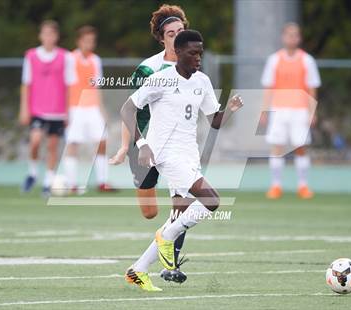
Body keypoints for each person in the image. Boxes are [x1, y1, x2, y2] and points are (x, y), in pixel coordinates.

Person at [121, 30, 243, 291]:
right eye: (193, 53)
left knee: (179, 216)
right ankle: (166, 238)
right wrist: (141, 144)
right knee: (211, 199)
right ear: (178, 53)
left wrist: (230, 110)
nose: (198, 57)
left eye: (200, 52)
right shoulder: (161, 79)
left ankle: (138, 270)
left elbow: (215, 121)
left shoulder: (202, 81)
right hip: (166, 154)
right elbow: (127, 109)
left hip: (189, 155)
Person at [109, 4, 190, 283]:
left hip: (177, 148)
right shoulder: (149, 68)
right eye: (171, 33)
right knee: (150, 212)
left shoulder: (192, 64)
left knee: (183, 205)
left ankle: (171, 266)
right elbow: (129, 109)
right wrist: (124, 147)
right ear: (161, 38)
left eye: (181, 31)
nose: (177, 37)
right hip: (145, 145)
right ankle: (148, 261)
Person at [261, 22, 321, 199]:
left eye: (295, 35)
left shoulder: (307, 60)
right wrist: (264, 111)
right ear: (283, 37)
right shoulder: (274, 59)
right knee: (276, 147)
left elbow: (312, 88)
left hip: (300, 110)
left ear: (299, 38)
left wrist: (312, 111)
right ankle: (276, 186)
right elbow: (268, 87)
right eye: (289, 35)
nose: (292, 38)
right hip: (279, 110)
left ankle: (303, 186)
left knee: (300, 147)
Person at [20, 20, 76, 196]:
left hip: (58, 111)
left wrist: (68, 112)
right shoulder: (31, 56)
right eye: (45, 34)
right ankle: (33, 173)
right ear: (40, 36)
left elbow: (70, 86)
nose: (48, 37)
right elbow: (26, 84)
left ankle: (48, 181)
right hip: (37, 109)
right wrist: (24, 109)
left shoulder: (65, 57)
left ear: (56, 37)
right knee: (35, 142)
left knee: (53, 147)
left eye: (51, 34)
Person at [64, 25, 115, 193]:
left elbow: (96, 87)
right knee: (73, 144)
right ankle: (71, 184)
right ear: (79, 41)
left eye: (92, 41)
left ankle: (102, 182)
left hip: (93, 108)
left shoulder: (96, 60)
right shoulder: (70, 59)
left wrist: (102, 110)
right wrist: (64, 112)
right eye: (86, 41)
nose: (89, 44)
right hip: (75, 108)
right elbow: (65, 86)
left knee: (101, 142)